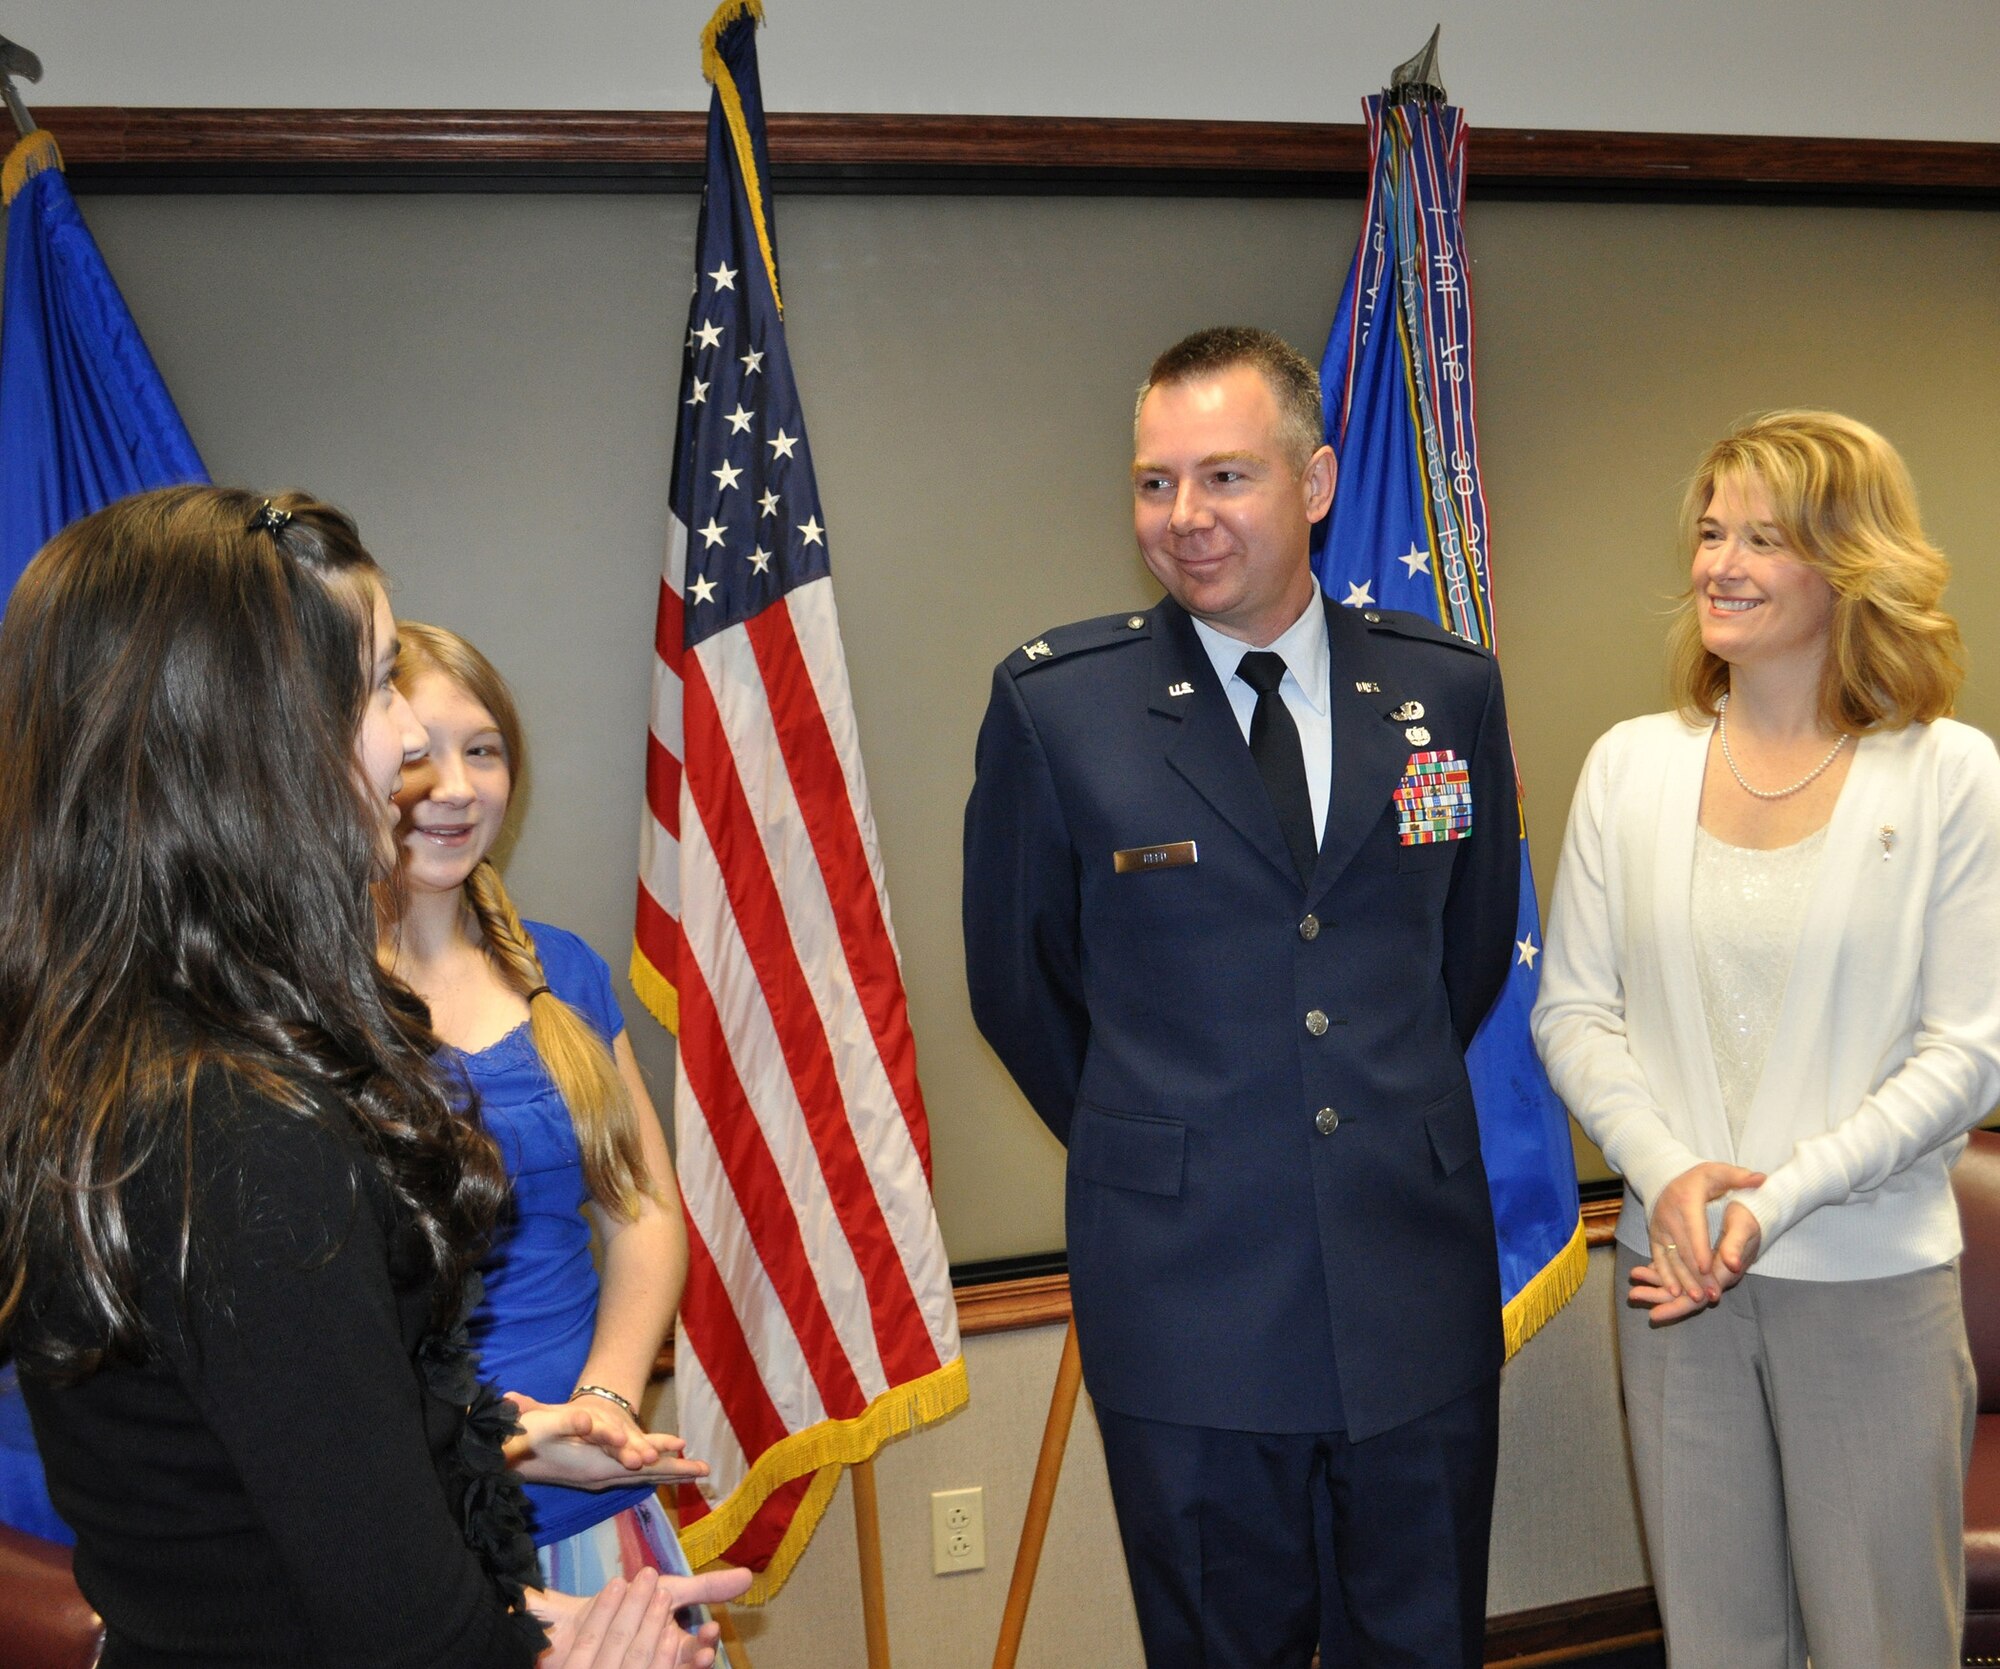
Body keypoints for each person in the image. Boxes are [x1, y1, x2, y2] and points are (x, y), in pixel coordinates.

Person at [0, 485, 747, 1667]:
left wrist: (493, 1431)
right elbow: (401, 1633)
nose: (408, 742)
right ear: (240, 741)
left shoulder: (125, 1052)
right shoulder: (233, 1124)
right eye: (373, 685)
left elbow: (264, 1447)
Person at [962, 326, 1521, 1668]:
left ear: (1317, 482)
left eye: (1226, 477)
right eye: (1155, 484)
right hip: (1188, 1302)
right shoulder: (1063, 709)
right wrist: (1183, 1127)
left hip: (1411, 1284)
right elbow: (1020, 992)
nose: (1185, 519)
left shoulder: (1443, 687)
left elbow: (1470, 948)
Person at [1532, 411, 2000, 1668]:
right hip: (1670, 1279)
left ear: (1849, 565)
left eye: (1762, 538)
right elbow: (1571, 1008)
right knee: (1717, 1644)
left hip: (1868, 1286)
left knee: (1878, 1643)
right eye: (1707, 531)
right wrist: (1670, 1175)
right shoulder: (1627, 767)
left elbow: (1966, 1053)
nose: (1717, 563)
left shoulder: (1948, 775)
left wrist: (1773, 1198)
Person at [378, 621, 715, 1609]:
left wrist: (604, 1405)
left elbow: (644, 1214)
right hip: (418, 1524)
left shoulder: (560, 971)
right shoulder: (300, 1002)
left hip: (592, 1504)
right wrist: (513, 1445)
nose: (454, 787)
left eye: (481, 749)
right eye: (414, 755)